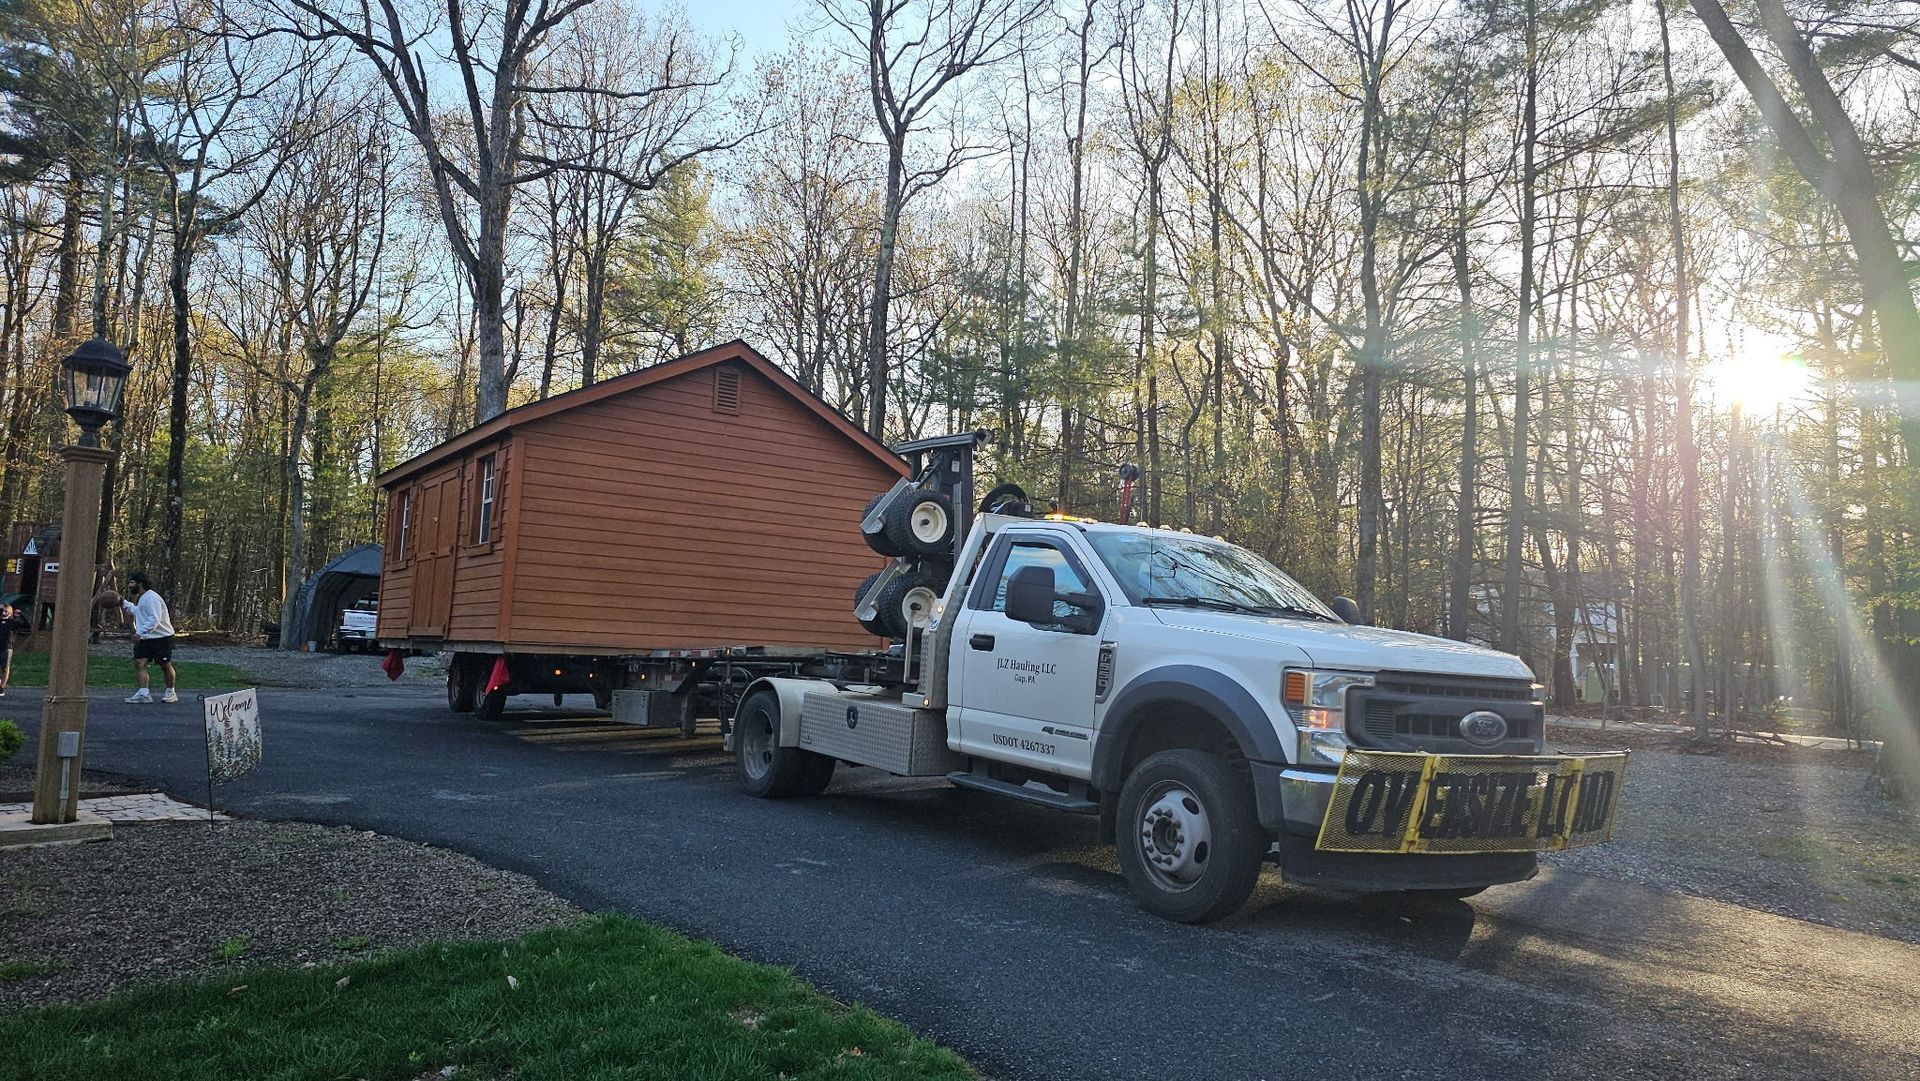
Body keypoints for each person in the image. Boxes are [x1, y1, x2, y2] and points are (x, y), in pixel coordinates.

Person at [120, 571, 177, 704]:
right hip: (145, 638)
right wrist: (123, 603)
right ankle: (143, 693)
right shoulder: (143, 597)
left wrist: (140, 632)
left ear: (140, 583)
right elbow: (139, 612)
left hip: (161, 637)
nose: (129, 585)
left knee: (165, 665)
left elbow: (154, 619)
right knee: (139, 663)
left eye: (132, 583)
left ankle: (171, 692)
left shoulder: (152, 598)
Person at [0, 602, 25, 697]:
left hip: (7, 647)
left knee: (5, 668)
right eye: (2, 610)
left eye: (6, 611)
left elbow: (25, 625)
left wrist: (20, 615)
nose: (3, 613)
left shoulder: (12, 622)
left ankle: (2, 687)